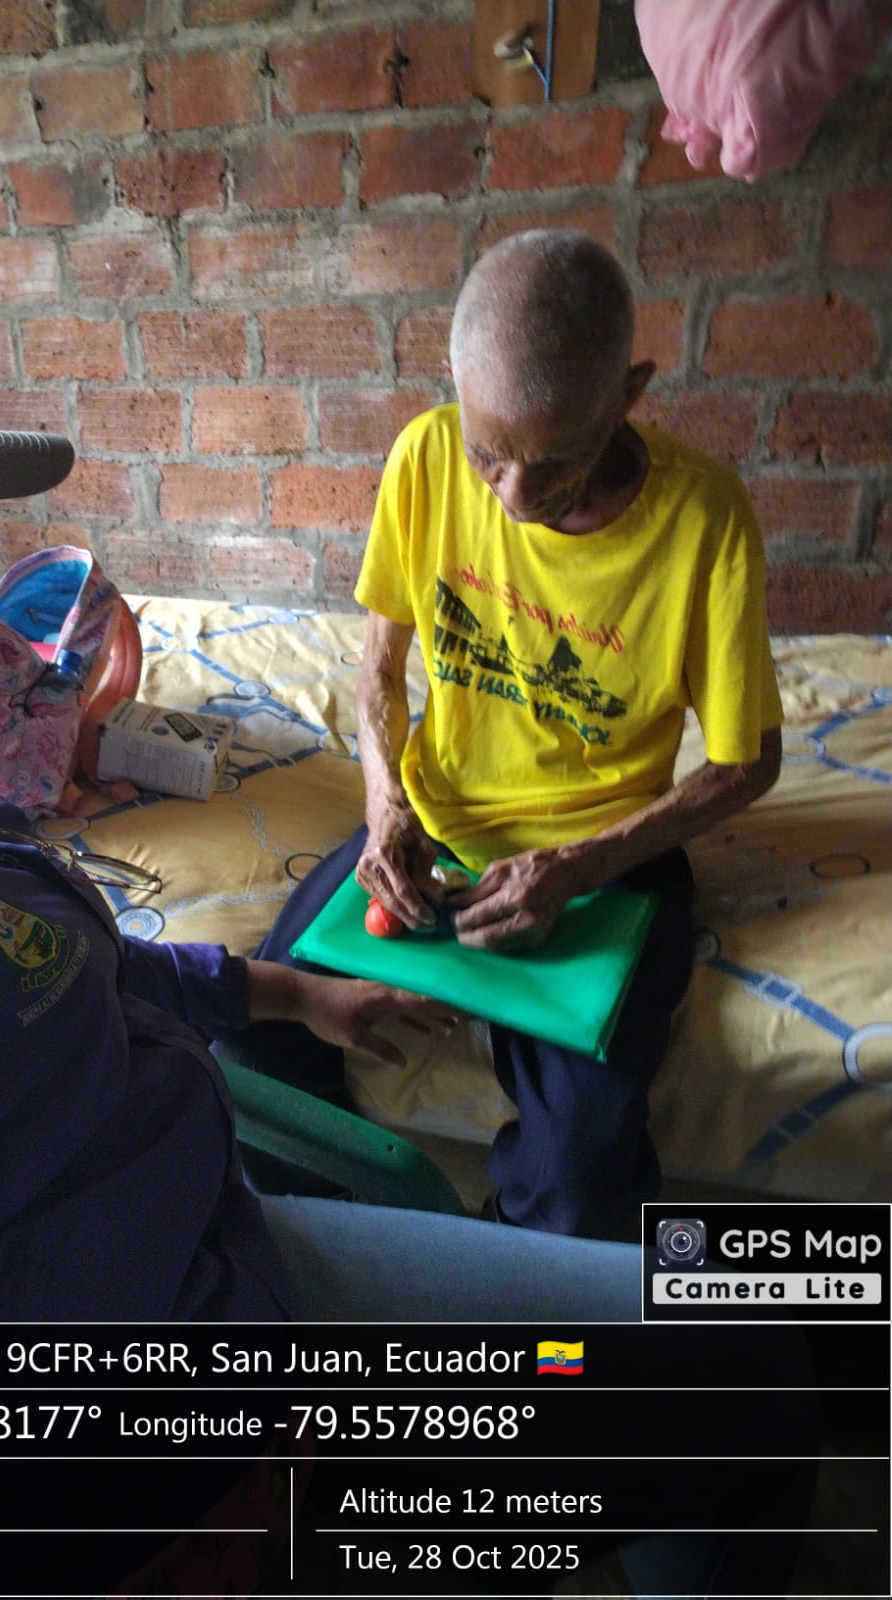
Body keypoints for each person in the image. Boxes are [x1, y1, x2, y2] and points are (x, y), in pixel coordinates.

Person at [0, 285, 815, 1600]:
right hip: (175, 1441)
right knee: (729, 1383)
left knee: (704, 1316)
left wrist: (277, 989)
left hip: (218, 1252)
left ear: (629, 397)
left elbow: (46, 956)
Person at [226, 230, 784, 1241]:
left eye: (557, 460)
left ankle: (519, 1301)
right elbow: (377, 670)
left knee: (582, 1177)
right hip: (436, 828)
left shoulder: (704, 519)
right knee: (257, 1050)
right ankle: (349, 1252)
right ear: (457, 390)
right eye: (490, 454)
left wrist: (574, 866)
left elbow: (748, 762)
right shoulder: (425, 455)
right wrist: (386, 805)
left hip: (607, 860)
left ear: (632, 392)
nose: (515, 496)